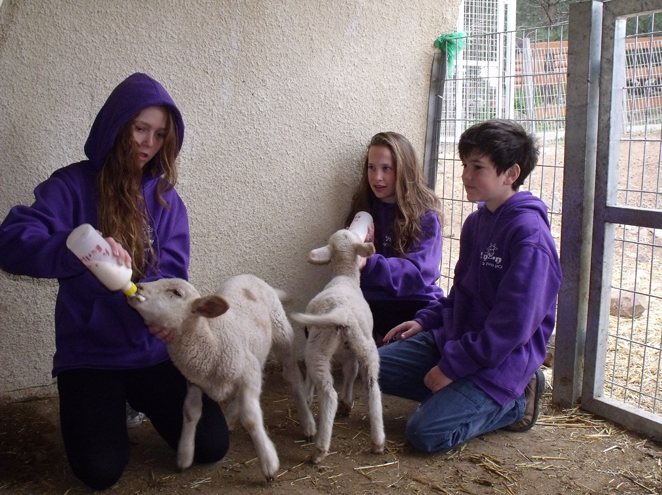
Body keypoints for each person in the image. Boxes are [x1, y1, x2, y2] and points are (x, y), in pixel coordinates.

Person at [0, 73, 229, 490]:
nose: (148, 143)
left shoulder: (165, 198)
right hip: (91, 354)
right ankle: (110, 406)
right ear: (117, 124)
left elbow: (172, 271)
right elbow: (12, 242)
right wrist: (75, 246)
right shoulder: (71, 185)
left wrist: (165, 318)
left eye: (159, 135)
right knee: (100, 470)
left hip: (151, 352)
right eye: (140, 128)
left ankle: (137, 400)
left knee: (211, 444)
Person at [378, 119, 562, 453]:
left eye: (477, 167)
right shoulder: (477, 222)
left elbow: (512, 327)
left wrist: (451, 367)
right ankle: (459, 394)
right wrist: (426, 320)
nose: (465, 175)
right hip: (458, 340)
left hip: (501, 361)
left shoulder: (529, 237)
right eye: (465, 165)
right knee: (370, 367)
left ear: (511, 173)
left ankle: (516, 401)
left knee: (424, 433)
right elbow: (460, 293)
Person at [345, 131, 443, 346]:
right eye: (371, 167)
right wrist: (362, 249)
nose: (377, 177)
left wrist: (369, 263)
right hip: (373, 300)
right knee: (320, 327)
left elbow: (417, 273)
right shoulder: (365, 208)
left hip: (413, 301)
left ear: (404, 170)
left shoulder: (426, 215)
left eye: (386, 169)